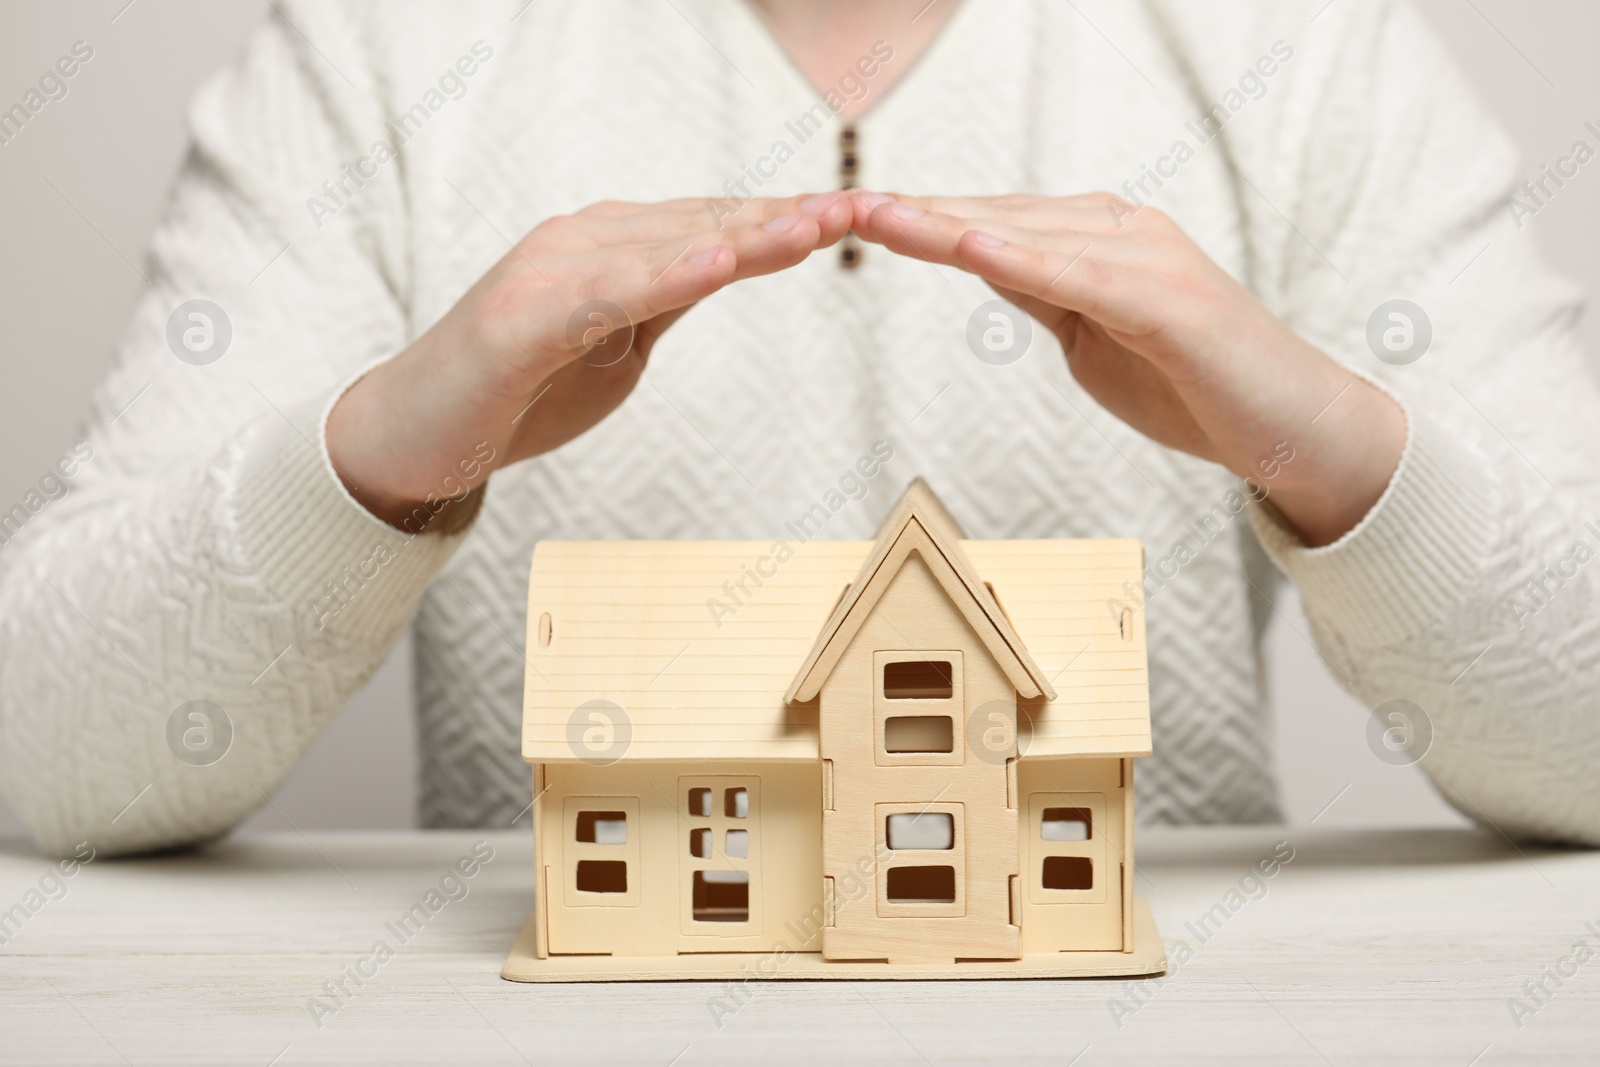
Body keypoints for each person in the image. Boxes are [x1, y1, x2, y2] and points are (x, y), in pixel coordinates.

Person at [2, 0, 1597, 856]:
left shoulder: (1305, 47)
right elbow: (48, 762)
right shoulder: (381, 52)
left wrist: (1329, 446)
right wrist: (381, 455)